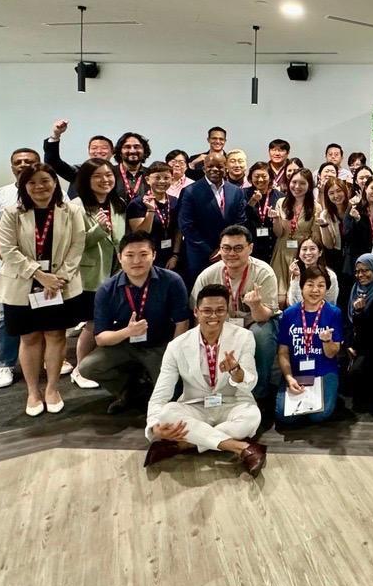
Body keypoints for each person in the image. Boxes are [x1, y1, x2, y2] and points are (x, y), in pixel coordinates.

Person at [143, 283, 267, 476]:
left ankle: (185, 444)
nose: (213, 316)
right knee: (167, 413)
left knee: (252, 417)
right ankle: (239, 446)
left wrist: (235, 369)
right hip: (196, 406)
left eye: (220, 311)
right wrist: (154, 427)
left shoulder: (244, 337)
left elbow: (250, 383)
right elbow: (161, 394)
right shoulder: (177, 346)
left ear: (227, 312)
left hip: (232, 403)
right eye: (207, 311)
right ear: (196, 311)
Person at [0, 163, 86, 415]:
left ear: (55, 183)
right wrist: (39, 275)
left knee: (56, 336)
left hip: (59, 285)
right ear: (23, 187)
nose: (39, 187)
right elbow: (8, 251)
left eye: (45, 180)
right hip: (21, 285)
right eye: (31, 182)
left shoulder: (72, 211)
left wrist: (59, 278)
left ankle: (52, 388)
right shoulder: (12, 212)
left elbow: (77, 247)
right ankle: (33, 391)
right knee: (30, 337)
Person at [78, 232, 191, 414]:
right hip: (124, 345)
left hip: (160, 345)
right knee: (88, 367)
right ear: (120, 258)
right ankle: (127, 390)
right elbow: (100, 338)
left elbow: (182, 322)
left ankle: (151, 384)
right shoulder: (106, 290)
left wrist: (174, 354)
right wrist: (127, 332)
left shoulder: (171, 281)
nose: (136, 261)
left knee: (170, 400)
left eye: (144, 254)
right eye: (130, 255)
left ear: (154, 255)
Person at [191, 225, 280, 406]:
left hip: (255, 322)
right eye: (226, 248)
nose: (232, 253)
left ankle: (258, 394)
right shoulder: (208, 276)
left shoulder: (263, 272)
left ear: (250, 248)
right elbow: (198, 315)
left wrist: (255, 305)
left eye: (238, 248)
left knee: (261, 335)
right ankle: (217, 391)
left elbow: (264, 316)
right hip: (221, 325)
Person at [0, 147, 42, 388]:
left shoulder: (51, 190)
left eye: (29, 161)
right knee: (7, 318)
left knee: (45, 314)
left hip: (45, 269)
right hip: (9, 269)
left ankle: (50, 361)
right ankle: (6, 364)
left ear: (38, 164)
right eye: (17, 161)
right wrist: (16, 262)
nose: (23, 164)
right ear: (12, 167)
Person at [71, 158, 127, 387]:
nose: (105, 180)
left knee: (109, 322)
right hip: (91, 276)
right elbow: (73, 244)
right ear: (86, 180)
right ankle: (80, 369)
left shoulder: (118, 203)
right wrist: (97, 230)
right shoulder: (76, 205)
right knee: (93, 323)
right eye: (98, 176)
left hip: (116, 271)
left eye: (109, 175)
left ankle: (100, 365)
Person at [275, 265, 344, 426]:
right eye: (310, 284)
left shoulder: (334, 313)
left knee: (319, 416)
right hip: (297, 372)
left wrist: (327, 341)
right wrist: (289, 377)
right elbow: (283, 352)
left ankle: (330, 395)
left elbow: (332, 353)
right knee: (284, 417)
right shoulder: (289, 314)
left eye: (321, 285)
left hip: (324, 372)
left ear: (326, 288)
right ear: (302, 286)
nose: (315, 290)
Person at [177, 153, 247, 286]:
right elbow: (186, 226)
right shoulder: (190, 191)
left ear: (225, 167)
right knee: (201, 295)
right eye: (210, 166)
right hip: (200, 254)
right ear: (204, 168)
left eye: (219, 166)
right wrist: (211, 251)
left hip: (230, 253)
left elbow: (240, 221)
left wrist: (225, 248)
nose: (215, 169)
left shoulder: (236, 191)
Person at [270, 168, 322, 307]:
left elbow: (315, 235)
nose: (297, 187)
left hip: (303, 254)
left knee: (297, 298)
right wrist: (275, 219)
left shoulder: (315, 207)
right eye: (294, 182)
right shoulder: (281, 202)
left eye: (302, 183)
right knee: (279, 299)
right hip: (282, 251)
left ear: (309, 185)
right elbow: (279, 233)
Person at [345, 253, 373, 410]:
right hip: (356, 343)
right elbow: (347, 322)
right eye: (358, 271)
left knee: (358, 378)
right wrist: (349, 344)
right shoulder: (355, 290)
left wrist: (360, 313)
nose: (360, 275)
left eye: (365, 270)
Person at [126, 161, 179, 270]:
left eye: (166, 178)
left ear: (172, 180)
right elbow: (140, 234)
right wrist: (150, 210)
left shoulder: (175, 201)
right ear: (147, 180)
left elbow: (178, 230)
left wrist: (175, 255)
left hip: (171, 256)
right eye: (157, 178)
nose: (162, 181)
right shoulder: (137, 203)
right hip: (146, 257)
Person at [42, 119, 114, 199]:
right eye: (94, 148)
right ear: (89, 151)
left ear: (112, 152)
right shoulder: (78, 171)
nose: (99, 151)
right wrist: (56, 135)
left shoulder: (118, 173)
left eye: (104, 148)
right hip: (79, 210)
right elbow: (52, 162)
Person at [344, 174, 373, 280]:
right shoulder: (354, 207)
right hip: (357, 261)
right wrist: (357, 220)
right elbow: (347, 236)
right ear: (365, 188)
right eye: (372, 188)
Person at [243, 161, 283, 265]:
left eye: (264, 176)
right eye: (256, 176)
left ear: (270, 177)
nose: (260, 180)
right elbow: (241, 218)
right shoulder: (243, 194)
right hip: (251, 247)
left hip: (273, 247)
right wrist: (252, 202)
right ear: (251, 177)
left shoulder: (280, 197)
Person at [285, 236, 340, 306]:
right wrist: (296, 279)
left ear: (320, 252)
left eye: (312, 249)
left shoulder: (330, 275)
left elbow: (331, 302)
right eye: (304, 249)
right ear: (299, 254)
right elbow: (293, 303)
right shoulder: (297, 273)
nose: (308, 253)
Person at [318, 177, 350, 277]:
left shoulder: (353, 208)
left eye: (339, 191)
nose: (336, 196)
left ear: (345, 191)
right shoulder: (325, 215)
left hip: (353, 255)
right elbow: (329, 245)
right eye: (331, 193)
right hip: (336, 258)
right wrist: (324, 226)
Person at [111, 132, 151, 203]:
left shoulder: (151, 174)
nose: (132, 151)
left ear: (144, 151)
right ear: (120, 151)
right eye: (127, 147)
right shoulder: (110, 173)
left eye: (137, 147)